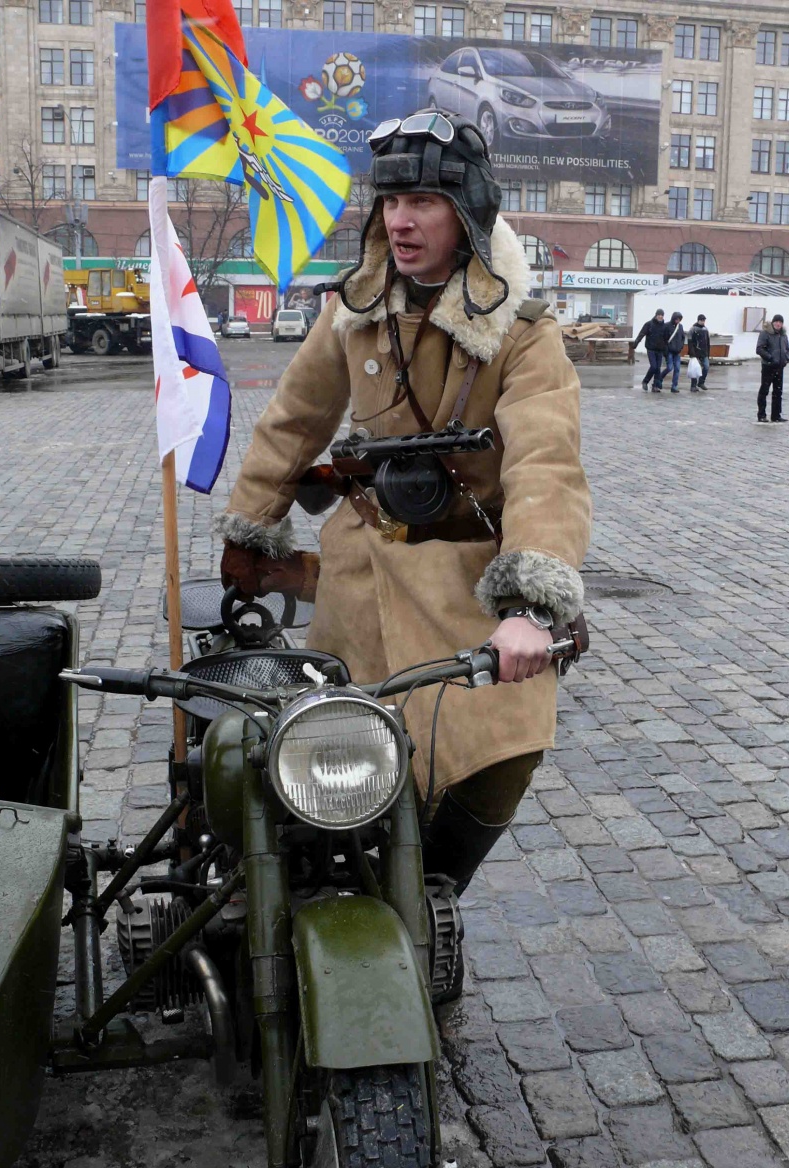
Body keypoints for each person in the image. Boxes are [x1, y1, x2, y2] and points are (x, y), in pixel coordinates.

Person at [216, 111, 591, 919]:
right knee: (340, 767)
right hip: (361, 579)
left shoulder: (523, 333)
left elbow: (545, 462)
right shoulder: (355, 309)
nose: (401, 221)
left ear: (467, 212)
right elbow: (294, 419)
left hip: (470, 582)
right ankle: (342, 905)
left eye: (423, 201)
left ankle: (427, 901)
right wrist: (251, 527)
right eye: (391, 202)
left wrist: (530, 605)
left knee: (502, 751)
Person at [756, 314, 789, 422]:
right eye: (776, 322)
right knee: (764, 391)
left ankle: (776, 415)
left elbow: (787, 349)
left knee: (778, 392)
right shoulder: (765, 333)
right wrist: (770, 358)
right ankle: (761, 415)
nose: (778, 324)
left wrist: (786, 359)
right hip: (768, 366)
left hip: (779, 367)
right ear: (773, 322)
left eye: (780, 322)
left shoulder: (783, 335)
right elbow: (759, 349)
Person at [633, 308, 669, 392]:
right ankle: (645, 381)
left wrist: (666, 352)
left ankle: (655, 386)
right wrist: (636, 343)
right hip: (651, 348)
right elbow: (642, 334)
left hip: (660, 350)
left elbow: (665, 340)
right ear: (656, 315)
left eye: (662, 315)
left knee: (658, 369)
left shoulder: (664, 326)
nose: (660, 316)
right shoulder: (649, 324)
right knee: (653, 367)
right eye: (659, 315)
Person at [662, 311, 685, 393]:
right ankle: (660, 378)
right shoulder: (667, 326)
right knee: (669, 367)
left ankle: (674, 386)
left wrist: (681, 347)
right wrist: (666, 350)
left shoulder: (680, 327)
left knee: (677, 369)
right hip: (669, 351)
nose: (678, 321)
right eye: (676, 319)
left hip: (677, 351)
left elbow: (682, 337)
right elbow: (664, 339)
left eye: (679, 319)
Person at [687, 314, 710, 391]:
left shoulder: (705, 329)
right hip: (695, 352)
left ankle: (701, 382)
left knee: (706, 367)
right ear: (698, 320)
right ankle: (693, 386)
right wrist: (692, 352)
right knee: (695, 369)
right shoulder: (693, 329)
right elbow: (690, 341)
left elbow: (707, 342)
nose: (703, 322)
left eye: (704, 320)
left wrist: (708, 353)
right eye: (701, 320)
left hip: (704, 352)